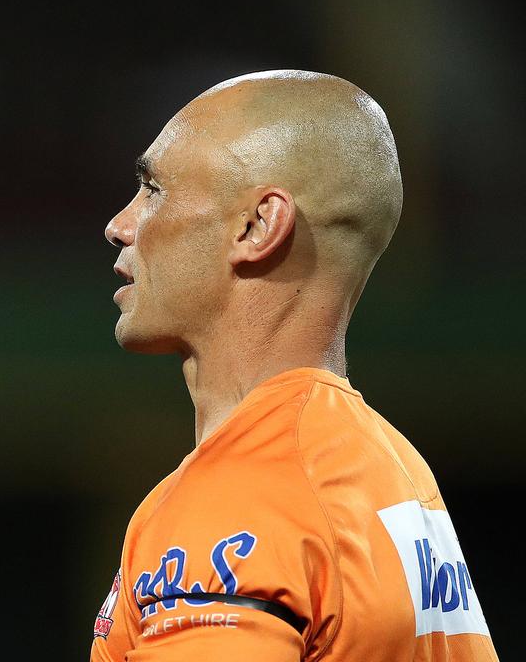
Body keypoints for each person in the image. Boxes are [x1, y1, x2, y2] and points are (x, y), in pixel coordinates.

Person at [91, 71, 498, 661]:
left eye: (154, 191)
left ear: (258, 226)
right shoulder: (394, 474)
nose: (120, 226)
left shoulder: (237, 500)